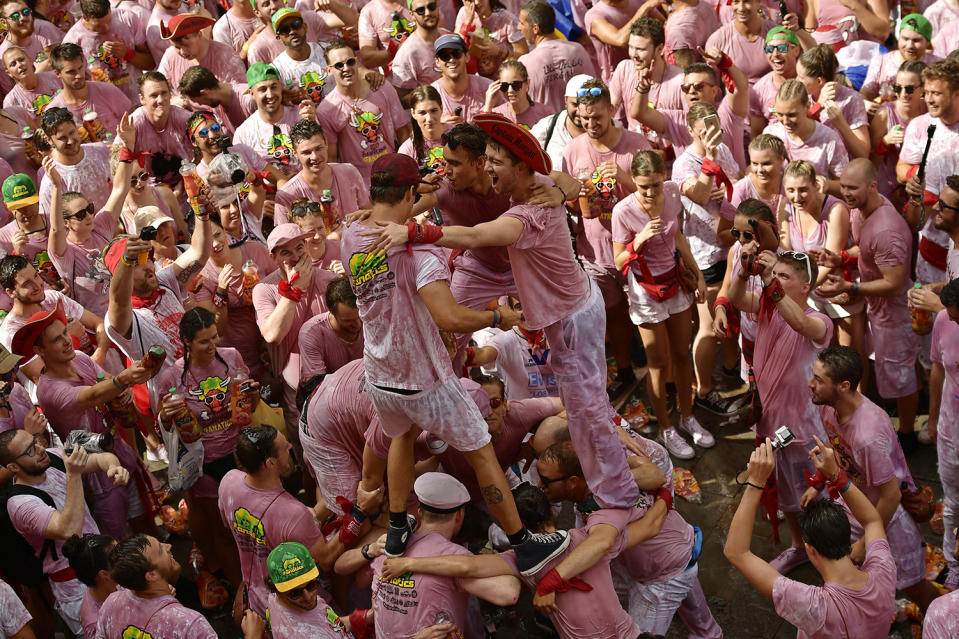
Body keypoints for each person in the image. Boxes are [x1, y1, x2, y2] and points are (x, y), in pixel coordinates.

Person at [365, 123, 641, 525]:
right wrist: (376, 214)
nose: (490, 169)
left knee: (590, 411)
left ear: (522, 169)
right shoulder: (527, 190)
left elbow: (480, 233)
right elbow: (435, 207)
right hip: (560, 313)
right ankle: (606, 488)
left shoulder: (528, 211)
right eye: (489, 160)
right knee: (584, 411)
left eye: (496, 162)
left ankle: (618, 497)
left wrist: (412, 230)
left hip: (571, 319)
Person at [343, 151, 573, 569]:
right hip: (425, 380)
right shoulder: (422, 256)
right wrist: (496, 316)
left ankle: (396, 530)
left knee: (400, 439)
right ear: (413, 191)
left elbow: (383, 218)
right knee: (483, 452)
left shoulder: (351, 233)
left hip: (379, 374)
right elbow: (449, 317)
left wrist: (412, 204)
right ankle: (524, 544)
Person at [375, 480, 669, 639]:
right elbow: (651, 526)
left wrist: (408, 563)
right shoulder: (586, 541)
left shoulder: (521, 561)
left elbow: (466, 565)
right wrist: (665, 496)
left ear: (512, 530)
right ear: (551, 512)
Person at [808, 346, 941, 611]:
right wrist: (819, 482)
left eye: (819, 380)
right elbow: (836, 446)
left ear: (844, 386)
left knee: (913, 585)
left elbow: (891, 496)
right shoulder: (828, 406)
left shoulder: (868, 436)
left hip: (888, 519)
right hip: (855, 506)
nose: (810, 384)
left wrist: (866, 541)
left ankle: (945, 625)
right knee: (863, 578)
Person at [723, 437, 897, 638]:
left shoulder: (816, 609)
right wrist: (836, 476)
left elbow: (736, 552)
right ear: (847, 538)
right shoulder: (883, 570)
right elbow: (873, 521)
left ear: (810, 549)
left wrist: (755, 481)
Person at [15, 298, 157, 540]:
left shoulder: (79, 358)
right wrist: (122, 381)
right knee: (118, 541)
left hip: (119, 451)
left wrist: (119, 392)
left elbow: (104, 379)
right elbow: (90, 395)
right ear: (40, 351)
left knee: (146, 522)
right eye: (56, 340)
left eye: (64, 334)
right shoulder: (48, 391)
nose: (66, 342)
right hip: (96, 475)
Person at [728, 246, 833, 573]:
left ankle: (829, 550)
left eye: (785, 277)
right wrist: (743, 271)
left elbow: (800, 323)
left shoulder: (820, 321)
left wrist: (771, 285)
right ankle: (798, 546)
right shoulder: (767, 306)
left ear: (805, 287)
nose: (776, 281)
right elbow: (735, 298)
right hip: (769, 421)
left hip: (802, 429)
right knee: (785, 492)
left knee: (814, 494)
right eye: (776, 276)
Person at [217, 424, 379, 616]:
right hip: (295, 604)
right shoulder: (293, 513)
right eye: (284, 447)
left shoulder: (229, 482)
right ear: (270, 463)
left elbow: (229, 525)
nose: (290, 448)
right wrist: (359, 514)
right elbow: (326, 559)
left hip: (257, 597)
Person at [817, 159, 921, 453]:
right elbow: (863, 249)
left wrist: (852, 287)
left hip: (896, 314)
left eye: (853, 188)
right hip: (879, 311)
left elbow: (895, 282)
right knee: (891, 370)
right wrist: (840, 259)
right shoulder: (863, 210)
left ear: (873, 186)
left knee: (902, 375)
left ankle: (908, 433)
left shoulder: (888, 230)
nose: (846, 193)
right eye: (844, 187)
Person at [612, 150, 707, 460]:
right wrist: (637, 241)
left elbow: (678, 237)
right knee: (658, 362)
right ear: (634, 185)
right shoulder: (623, 211)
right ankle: (666, 428)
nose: (651, 193)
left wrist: (698, 275)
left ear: (663, 180)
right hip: (645, 291)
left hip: (676, 283)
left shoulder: (672, 193)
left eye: (655, 184)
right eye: (643, 187)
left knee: (682, 354)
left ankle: (687, 416)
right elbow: (618, 261)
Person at [562, 78, 649, 401]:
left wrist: (625, 179)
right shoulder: (573, 150)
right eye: (584, 119)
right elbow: (569, 204)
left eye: (597, 117)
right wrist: (575, 197)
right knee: (612, 316)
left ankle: (660, 379)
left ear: (612, 110)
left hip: (637, 250)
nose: (591, 125)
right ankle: (625, 372)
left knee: (648, 318)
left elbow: (656, 196)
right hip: (595, 252)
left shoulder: (636, 144)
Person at [154, 308, 255, 587]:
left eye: (214, 337)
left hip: (241, 454)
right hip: (205, 463)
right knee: (224, 532)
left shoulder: (231, 357)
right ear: (186, 341)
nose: (213, 346)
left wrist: (252, 395)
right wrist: (165, 416)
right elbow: (161, 430)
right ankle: (238, 588)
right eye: (204, 341)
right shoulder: (172, 379)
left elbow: (248, 407)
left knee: (252, 522)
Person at [0, 427, 130, 636]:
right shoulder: (20, 504)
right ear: (13, 466)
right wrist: (74, 475)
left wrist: (113, 466)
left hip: (105, 566)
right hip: (75, 587)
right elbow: (69, 529)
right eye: (30, 450)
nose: (40, 449)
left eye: (36, 441)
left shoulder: (50, 457)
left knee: (134, 625)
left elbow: (99, 459)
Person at [671, 101, 742, 420]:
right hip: (705, 255)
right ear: (691, 131)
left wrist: (726, 201)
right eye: (706, 131)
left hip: (730, 246)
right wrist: (710, 163)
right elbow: (698, 197)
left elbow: (736, 187)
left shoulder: (723, 150)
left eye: (716, 128)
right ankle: (703, 391)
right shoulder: (684, 164)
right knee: (711, 325)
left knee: (732, 316)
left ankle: (731, 370)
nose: (713, 135)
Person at [104, 214, 212, 407]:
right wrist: (127, 259)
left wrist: (201, 212)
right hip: (177, 403)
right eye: (136, 264)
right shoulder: (125, 318)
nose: (147, 266)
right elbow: (118, 299)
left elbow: (199, 253)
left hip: (208, 383)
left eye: (148, 258)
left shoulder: (165, 281)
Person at [252, 223, 339, 440]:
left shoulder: (329, 281)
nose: (295, 257)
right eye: (285, 252)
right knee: (306, 444)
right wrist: (295, 290)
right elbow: (272, 335)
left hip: (335, 380)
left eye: (299, 248)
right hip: (295, 389)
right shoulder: (264, 289)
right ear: (273, 258)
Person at [779, 160, 864, 368]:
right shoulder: (786, 207)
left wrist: (801, 290)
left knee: (849, 358)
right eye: (790, 190)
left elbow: (831, 260)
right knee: (823, 357)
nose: (796, 197)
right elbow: (787, 253)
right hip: (809, 292)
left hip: (838, 290)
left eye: (802, 190)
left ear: (815, 185)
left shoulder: (835, 209)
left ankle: (858, 399)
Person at [97, 534, 264, 639]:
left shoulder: (111, 605)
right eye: (161, 550)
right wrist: (253, 635)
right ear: (151, 575)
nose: (168, 546)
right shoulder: (188, 623)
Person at [47, 127, 133, 319]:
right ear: (67, 222)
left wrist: (128, 147)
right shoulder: (64, 252)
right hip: (98, 322)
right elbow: (54, 228)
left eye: (89, 209)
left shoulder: (100, 226)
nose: (88, 216)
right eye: (80, 214)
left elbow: (120, 188)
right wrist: (56, 187)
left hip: (128, 311)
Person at [631, 50, 750, 172]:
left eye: (699, 86)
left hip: (732, 187)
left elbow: (741, 87)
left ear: (714, 91)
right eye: (686, 88)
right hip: (694, 188)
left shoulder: (727, 113)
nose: (692, 91)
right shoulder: (676, 120)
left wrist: (725, 63)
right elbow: (639, 113)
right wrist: (643, 87)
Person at [316, 39, 410, 187]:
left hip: (393, 174)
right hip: (359, 185)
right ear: (329, 70)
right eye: (339, 65)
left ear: (357, 62)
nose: (346, 68)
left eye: (350, 62)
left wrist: (406, 170)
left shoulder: (382, 88)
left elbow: (403, 133)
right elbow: (332, 160)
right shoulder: (326, 110)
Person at [263, 542, 371, 638]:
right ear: (276, 590)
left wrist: (365, 617)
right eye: (295, 593)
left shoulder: (274, 600)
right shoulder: (302, 634)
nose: (308, 597)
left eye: (311, 585)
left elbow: (325, 623)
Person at [274, 119, 369, 226]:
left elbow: (369, 214)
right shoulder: (286, 195)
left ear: (326, 144)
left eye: (318, 148)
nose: (314, 157)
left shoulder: (350, 172)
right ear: (295, 153)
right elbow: (284, 240)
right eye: (306, 152)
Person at [762, 79, 848, 195]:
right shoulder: (771, 134)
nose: (786, 121)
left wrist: (827, 184)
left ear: (807, 106)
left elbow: (846, 184)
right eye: (780, 114)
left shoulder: (829, 139)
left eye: (791, 115)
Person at [928, 278, 959, 590]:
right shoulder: (943, 319)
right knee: (952, 503)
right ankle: (954, 565)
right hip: (951, 429)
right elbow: (937, 368)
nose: (952, 321)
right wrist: (933, 418)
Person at [233, 62, 316, 176]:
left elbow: (319, 155)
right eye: (263, 89)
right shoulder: (243, 134)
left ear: (280, 87)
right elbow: (244, 177)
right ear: (251, 93)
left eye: (274, 87)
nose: (270, 94)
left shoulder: (302, 115)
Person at [63, 0, 154, 102]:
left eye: (109, 20)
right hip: (105, 107)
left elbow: (150, 64)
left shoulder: (127, 19)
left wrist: (127, 53)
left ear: (110, 9)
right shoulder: (73, 40)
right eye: (98, 26)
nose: (106, 28)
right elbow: (72, 87)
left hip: (138, 101)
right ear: (84, 17)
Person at [608, 17, 682, 141]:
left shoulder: (679, 81)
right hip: (636, 152)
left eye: (641, 49)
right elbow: (609, 111)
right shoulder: (624, 69)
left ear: (660, 49)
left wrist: (666, 155)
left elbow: (690, 130)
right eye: (631, 47)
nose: (633, 55)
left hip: (669, 157)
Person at [46, 43, 133, 144]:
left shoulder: (108, 91)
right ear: (57, 73)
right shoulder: (54, 112)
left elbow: (134, 123)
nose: (78, 75)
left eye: (80, 68)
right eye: (71, 72)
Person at [517, 1, 596, 112]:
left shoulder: (525, 63)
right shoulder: (578, 50)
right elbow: (595, 90)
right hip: (581, 124)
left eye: (521, 23)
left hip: (547, 127)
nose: (518, 27)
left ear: (535, 28)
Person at [795, 45, 870, 159]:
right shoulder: (800, 94)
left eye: (801, 78)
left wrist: (841, 124)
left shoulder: (851, 99)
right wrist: (818, 106)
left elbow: (863, 153)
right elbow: (794, 129)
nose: (796, 81)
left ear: (819, 81)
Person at [297, 276, 363, 403]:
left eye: (360, 316)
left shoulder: (373, 320)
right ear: (332, 312)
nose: (358, 324)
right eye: (348, 321)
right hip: (327, 402)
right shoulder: (312, 333)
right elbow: (316, 387)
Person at [870, 60, 926, 203]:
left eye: (909, 89)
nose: (902, 94)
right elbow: (871, 162)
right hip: (888, 185)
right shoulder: (884, 114)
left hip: (922, 183)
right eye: (897, 88)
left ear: (923, 88)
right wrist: (885, 142)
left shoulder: (929, 111)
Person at [0, 172, 64, 293]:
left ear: (38, 197)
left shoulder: (56, 222)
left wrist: (69, 281)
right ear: (6, 206)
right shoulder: (3, 238)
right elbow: (8, 287)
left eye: (29, 203)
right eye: (19, 207)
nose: (26, 210)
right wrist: (17, 254)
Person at [157, 14, 247, 93]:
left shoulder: (226, 56)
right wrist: (173, 98)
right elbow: (158, 85)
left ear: (199, 35)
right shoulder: (170, 55)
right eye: (177, 47)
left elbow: (240, 93)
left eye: (186, 45)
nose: (182, 52)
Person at [861, 14, 938, 102]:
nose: (910, 45)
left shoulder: (936, 66)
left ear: (928, 42)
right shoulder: (881, 63)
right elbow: (864, 96)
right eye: (905, 39)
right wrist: (867, 105)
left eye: (916, 40)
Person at [271, 7, 335, 106]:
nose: (292, 31)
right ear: (279, 38)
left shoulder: (328, 51)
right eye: (285, 29)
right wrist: (281, 98)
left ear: (305, 27)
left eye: (296, 25)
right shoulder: (277, 70)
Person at [129, 72, 193, 169]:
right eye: (154, 96)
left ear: (170, 94)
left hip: (185, 179)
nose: (160, 100)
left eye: (164, 93)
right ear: (142, 99)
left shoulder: (185, 119)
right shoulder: (133, 123)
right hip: (145, 182)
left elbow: (203, 152)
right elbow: (117, 159)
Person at [705, 0, 778, 83]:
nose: (741, 8)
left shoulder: (775, 34)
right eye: (736, 2)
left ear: (758, 4)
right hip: (736, 94)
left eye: (747, 1)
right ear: (731, 5)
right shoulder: (717, 40)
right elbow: (713, 88)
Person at [530, 74, 592, 170]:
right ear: (566, 100)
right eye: (575, 104)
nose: (580, 111)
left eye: (586, 104)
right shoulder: (547, 127)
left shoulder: (608, 129)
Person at [749, 27, 804, 136]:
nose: (775, 54)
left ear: (796, 51)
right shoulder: (759, 90)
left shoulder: (807, 82)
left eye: (782, 48)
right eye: (769, 49)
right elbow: (757, 134)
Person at [62, 533, 117, 639]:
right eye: (119, 556)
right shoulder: (96, 623)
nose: (127, 556)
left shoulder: (117, 583)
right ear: (104, 574)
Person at [0, 0, 60, 93]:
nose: (23, 18)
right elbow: (14, 99)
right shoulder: (3, 57)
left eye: (26, 12)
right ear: (4, 22)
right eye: (15, 16)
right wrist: (37, 74)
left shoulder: (39, 35)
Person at [390, 0, 448, 97]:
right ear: (412, 15)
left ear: (438, 7)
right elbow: (401, 98)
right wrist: (428, 99)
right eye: (421, 10)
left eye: (432, 6)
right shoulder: (407, 53)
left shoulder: (448, 35)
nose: (428, 13)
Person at [455, 0, 526, 77]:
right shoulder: (464, 14)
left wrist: (499, 52)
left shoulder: (507, 19)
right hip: (474, 80)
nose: (477, 3)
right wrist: (467, 22)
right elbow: (454, 48)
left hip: (502, 81)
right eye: (472, 0)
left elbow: (524, 55)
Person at [431, 34, 492, 123]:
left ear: (467, 56)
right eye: (445, 56)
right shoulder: (431, 94)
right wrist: (438, 124)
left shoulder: (488, 88)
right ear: (437, 62)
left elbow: (510, 119)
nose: (451, 60)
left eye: (457, 54)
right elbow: (416, 133)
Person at [177, 65, 256, 133]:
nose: (200, 105)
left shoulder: (249, 99)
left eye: (197, 101)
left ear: (204, 93)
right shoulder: (217, 106)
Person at [482, 59, 552, 128]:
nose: (510, 90)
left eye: (516, 85)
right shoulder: (494, 115)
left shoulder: (546, 114)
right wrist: (488, 106)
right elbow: (480, 135)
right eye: (504, 86)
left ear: (527, 83)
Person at [398, 85, 449, 173]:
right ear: (413, 113)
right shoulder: (407, 150)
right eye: (422, 113)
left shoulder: (458, 134)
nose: (429, 118)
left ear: (441, 108)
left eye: (434, 111)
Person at [358, 0, 416, 72]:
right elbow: (367, 59)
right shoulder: (369, 11)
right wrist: (396, 51)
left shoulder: (419, 2)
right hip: (399, 78)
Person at [1, 46, 61, 116]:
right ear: (9, 73)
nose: (19, 65)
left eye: (21, 60)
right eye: (13, 64)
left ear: (30, 60)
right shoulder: (11, 102)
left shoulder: (55, 77)